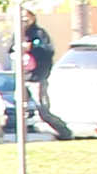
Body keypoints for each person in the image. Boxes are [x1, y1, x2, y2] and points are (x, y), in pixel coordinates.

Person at [17, 10, 69, 141]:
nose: (24, 20)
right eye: (21, 17)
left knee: (43, 110)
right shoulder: (18, 34)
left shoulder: (39, 34)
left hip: (37, 78)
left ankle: (65, 132)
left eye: (26, 18)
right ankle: (21, 138)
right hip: (22, 77)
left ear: (33, 18)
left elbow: (48, 50)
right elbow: (10, 49)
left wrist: (32, 47)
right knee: (19, 107)